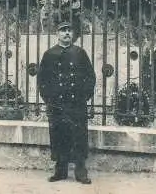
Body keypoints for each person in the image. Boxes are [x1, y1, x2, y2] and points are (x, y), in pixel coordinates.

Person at [37, 16, 96, 184]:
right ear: (57, 34)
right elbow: (42, 79)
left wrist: (84, 96)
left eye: (69, 30)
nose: (67, 33)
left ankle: (80, 172)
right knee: (59, 135)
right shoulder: (49, 54)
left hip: (76, 104)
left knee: (78, 136)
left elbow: (90, 77)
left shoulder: (80, 53)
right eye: (63, 30)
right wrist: (49, 98)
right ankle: (60, 171)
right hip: (57, 104)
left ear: (73, 34)